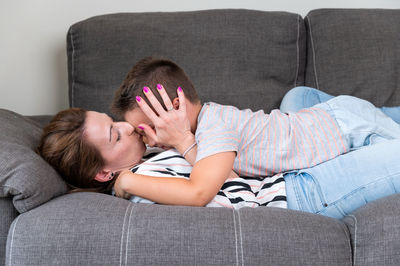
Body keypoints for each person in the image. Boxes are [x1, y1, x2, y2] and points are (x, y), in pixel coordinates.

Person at [109, 57, 400, 215]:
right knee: (297, 97)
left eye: (148, 128)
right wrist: (184, 140)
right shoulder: (209, 127)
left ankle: (386, 117)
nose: (146, 140)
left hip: (352, 128)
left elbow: (199, 192)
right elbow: (229, 177)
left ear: (176, 107)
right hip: (330, 114)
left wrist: (127, 181)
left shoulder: (215, 128)